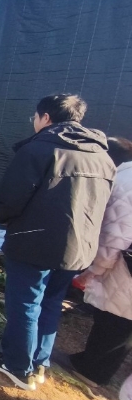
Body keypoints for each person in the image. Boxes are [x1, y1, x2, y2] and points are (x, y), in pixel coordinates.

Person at [0, 94, 115, 391]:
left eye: (35, 116)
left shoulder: (40, 149)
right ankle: (39, 362)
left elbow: (9, 199)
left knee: (26, 303)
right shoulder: (103, 157)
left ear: (45, 117)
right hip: (78, 248)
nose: (34, 121)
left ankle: (18, 366)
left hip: (34, 244)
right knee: (52, 302)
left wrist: (4, 216)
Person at [68, 137, 132, 387]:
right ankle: (95, 367)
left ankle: (92, 371)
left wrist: (92, 270)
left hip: (124, 271)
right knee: (122, 323)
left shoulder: (125, 182)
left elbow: (113, 237)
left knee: (115, 321)